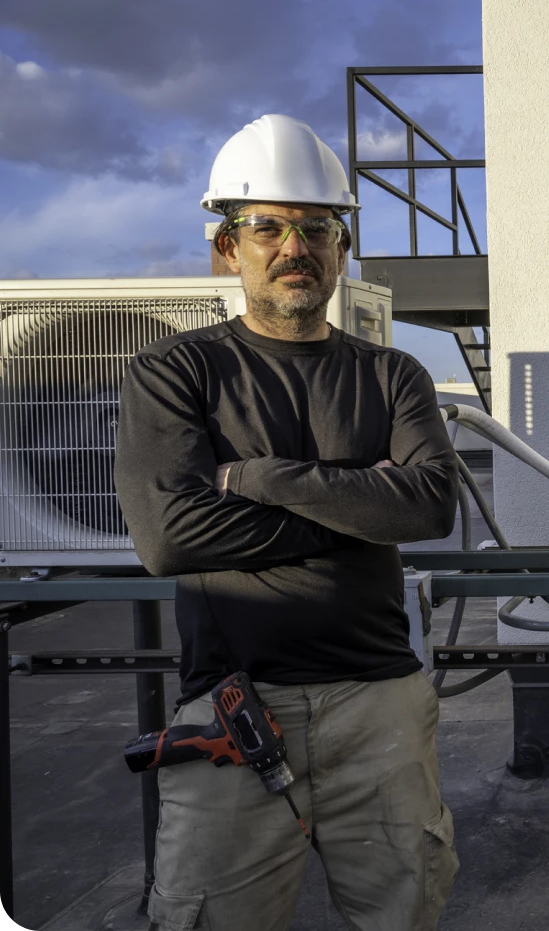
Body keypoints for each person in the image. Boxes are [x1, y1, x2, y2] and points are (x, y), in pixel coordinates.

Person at [113, 113, 461, 931]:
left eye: (316, 227)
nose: (292, 246)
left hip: (380, 706)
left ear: (342, 249)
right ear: (227, 249)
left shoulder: (392, 373)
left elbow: (431, 506)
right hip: (234, 708)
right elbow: (168, 537)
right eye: (265, 226)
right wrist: (358, 506)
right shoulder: (176, 370)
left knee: (405, 915)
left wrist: (262, 479)